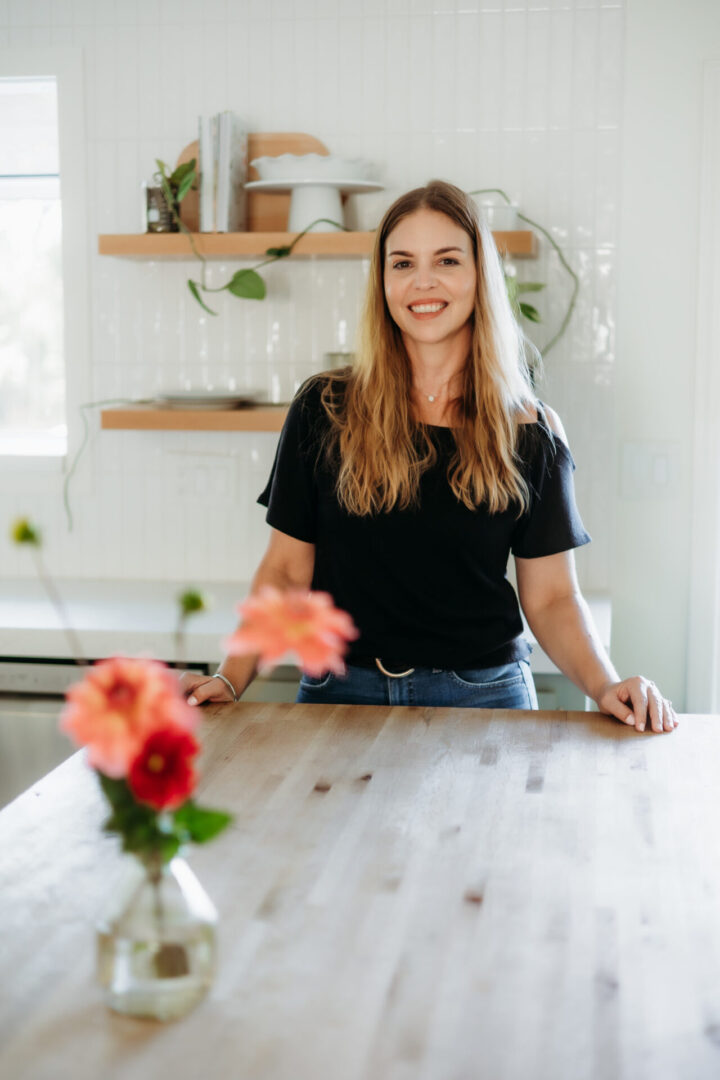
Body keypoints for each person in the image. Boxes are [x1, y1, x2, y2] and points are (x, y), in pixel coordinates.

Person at [181, 180, 678, 734]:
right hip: (338, 693)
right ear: (383, 282)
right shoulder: (324, 408)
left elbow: (554, 597)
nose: (423, 282)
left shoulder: (529, 430)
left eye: (446, 259)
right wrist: (230, 677)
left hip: (483, 696)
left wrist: (608, 685)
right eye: (402, 263)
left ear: (479, 276)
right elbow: (285, 571)